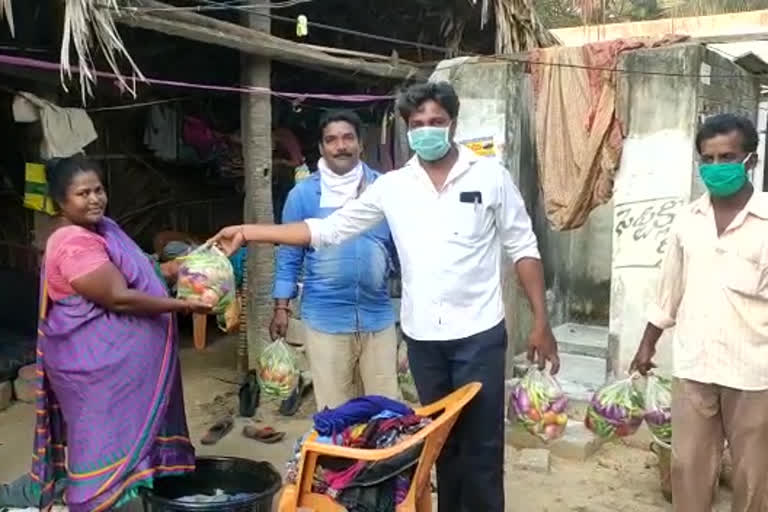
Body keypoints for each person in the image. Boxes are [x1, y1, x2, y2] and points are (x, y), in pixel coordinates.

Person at [211, 82, 559, 512]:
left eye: (436, 122)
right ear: (406, 128)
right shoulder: (393, 186)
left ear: (453, 124)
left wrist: (540, 321)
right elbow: (327, 230)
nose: (427, 130)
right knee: (439, 445)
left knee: (483, 449)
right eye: (417, 124)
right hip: (424, 340)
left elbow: (523, 247)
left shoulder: (489, 175)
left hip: (479, 335)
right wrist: (248, 232)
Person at [0, 156, 208, 512]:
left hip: (112, 371)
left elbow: (133, 270)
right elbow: (118, 297)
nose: (95, 199)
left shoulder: (103, 230)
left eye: (98, 190)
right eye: (83, 193)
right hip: (93, 373)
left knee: (114, 442)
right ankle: (93, 501)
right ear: (61, 202)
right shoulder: (72, 244)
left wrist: (169, 270)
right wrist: (185, 307)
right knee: (100, 445)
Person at [630, 114, 768, 512]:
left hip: (754, 373)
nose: (715, 167)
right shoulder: (687, 220)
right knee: (688, 468)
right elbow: (669, 289)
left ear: (750, 161)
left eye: (727, 157)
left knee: (754, 476)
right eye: (707, 159)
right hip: (695, 366)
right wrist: (646, 345)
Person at [270, 110, 398, 411]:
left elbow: (403, 248)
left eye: (347, 138)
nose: (341, 146)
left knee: (386, 412)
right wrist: (281, 306)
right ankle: (344, 461)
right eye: (332, 140)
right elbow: (289, 255)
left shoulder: (385, 188)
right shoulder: (302, 195)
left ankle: (382, 461)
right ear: (321, 148)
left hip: (378, 317)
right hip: (325, 319)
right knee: (337, 413)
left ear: (360, 144)